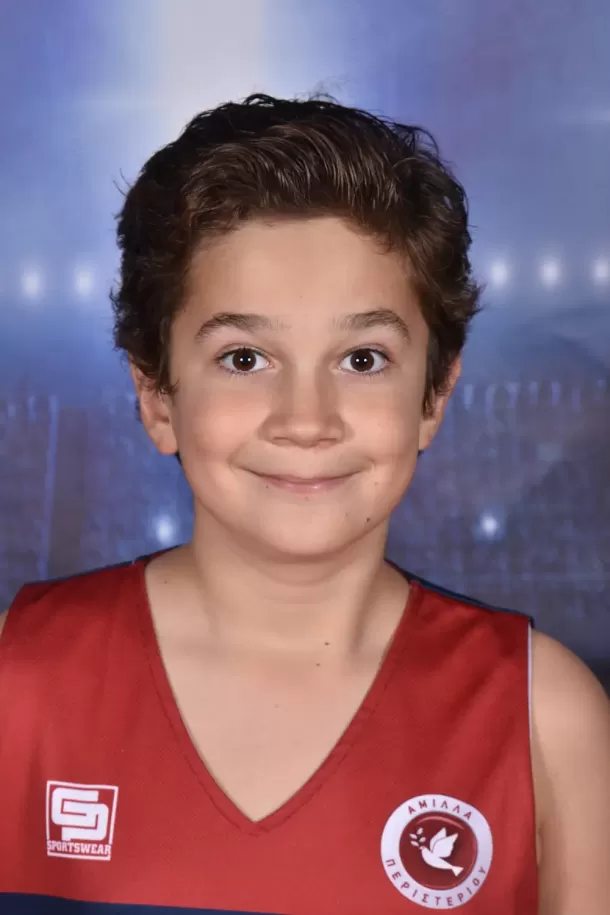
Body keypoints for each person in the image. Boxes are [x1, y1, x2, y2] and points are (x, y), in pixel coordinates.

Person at [0, 94, 608, 915]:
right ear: (157, 395)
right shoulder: (19, 679)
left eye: (362, 358)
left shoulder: (544, 716)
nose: (306, 419)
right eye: (244, 358)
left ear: (433, 395)